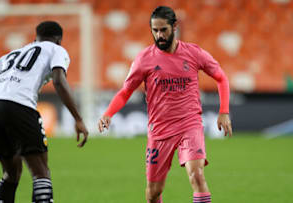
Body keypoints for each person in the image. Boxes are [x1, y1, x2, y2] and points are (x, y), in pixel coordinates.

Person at [98, 6, 232, 203]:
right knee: (153, 193)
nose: (159, 35)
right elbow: (126, 91)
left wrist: (224, 111)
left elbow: (221, 78)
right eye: (155, 30)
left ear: (174, 27)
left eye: (163, 30)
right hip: (160, 130)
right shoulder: (144, 59)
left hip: (190, 124)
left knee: (197, 175)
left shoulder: (193, 53)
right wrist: (108, 114)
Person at [0, 21, 89, 203]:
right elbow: (59, 80)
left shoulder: (14, 53)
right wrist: (78, 118)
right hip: (18, 105)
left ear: (35, 38)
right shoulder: (56, 50)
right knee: (41, 172)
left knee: (11, 173)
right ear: (59, 39)